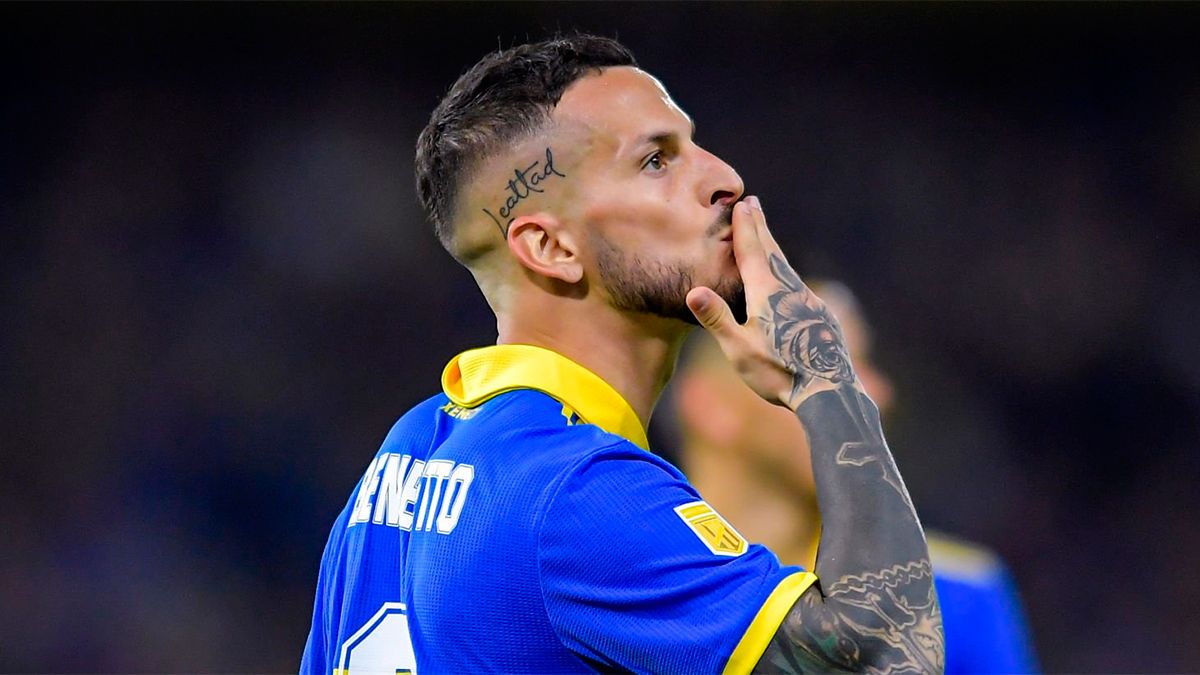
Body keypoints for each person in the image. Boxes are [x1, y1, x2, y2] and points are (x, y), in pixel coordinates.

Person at [301, 35, 943, 674]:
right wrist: (825, 379)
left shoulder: (404, 456)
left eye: (692, 144)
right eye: (656, 161)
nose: (725, 178)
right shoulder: (580, 490)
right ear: (551, 248)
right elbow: (886, 656)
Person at [672, 280, 1038, 674]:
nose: (877, 392)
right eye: (820, 366)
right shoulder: (637, 588)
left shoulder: (953, 592)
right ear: (711, 406)